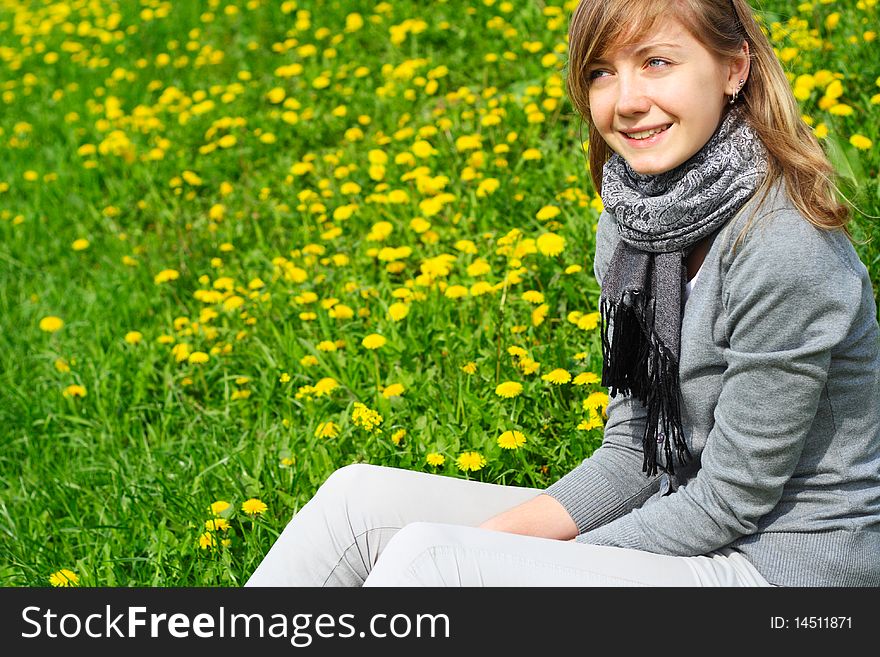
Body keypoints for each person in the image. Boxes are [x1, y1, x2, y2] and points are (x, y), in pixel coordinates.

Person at [245, 0, 880, 587]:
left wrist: (506, 558)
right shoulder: (634, 226)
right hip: (682, 521)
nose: (626, 100)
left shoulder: (784, 251)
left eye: (657, 62)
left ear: (734, 68)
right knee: (359, 506)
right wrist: (497, 544)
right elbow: (637, 449)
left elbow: (729, 501)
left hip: (790, 575)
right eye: (601, 71)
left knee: (434, 564)